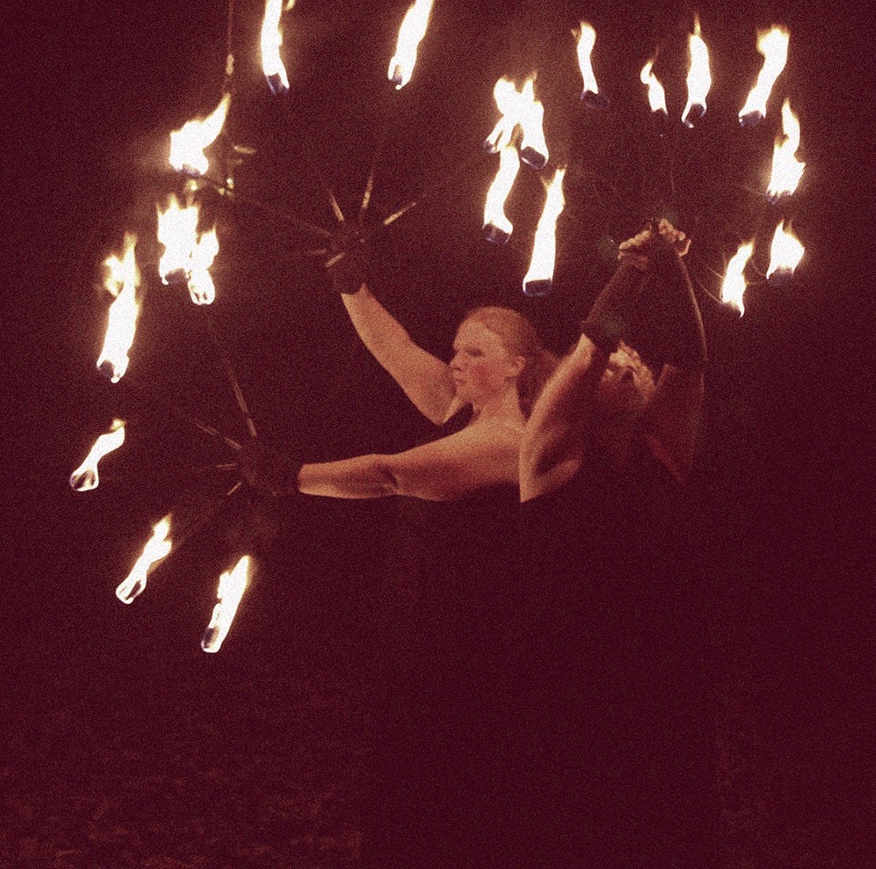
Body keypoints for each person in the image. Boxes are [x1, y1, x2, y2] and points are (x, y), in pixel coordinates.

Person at [241, 231, 556, 869]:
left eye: (475, 352)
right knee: (405, 774)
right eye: (456, 350)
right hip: (421, 629)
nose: (457, 361)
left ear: (516, 367)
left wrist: (294, 476)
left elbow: (390, 473)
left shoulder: (511, 440)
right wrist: (348, 281)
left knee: (448, 788)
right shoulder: (459, 411)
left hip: (470, 643)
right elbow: (397, 349)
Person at [513, 219, 716, 867]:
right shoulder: (547, 458)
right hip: (573, 692)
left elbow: (690, 359)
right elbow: (591, 347)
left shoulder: (664, 451)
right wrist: (633, 267)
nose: (632, 363)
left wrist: (673, 266)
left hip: (665, 687)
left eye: (638, 362)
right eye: (619, 363)